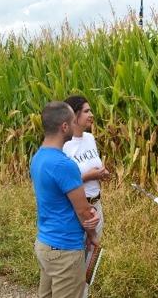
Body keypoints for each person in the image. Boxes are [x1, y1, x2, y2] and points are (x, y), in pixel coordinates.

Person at [31, 101, 100, 298]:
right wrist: (93, 234)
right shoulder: (64, 165)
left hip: (45, 243)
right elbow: (83, 211)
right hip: (65, 249)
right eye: (72, 121)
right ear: (64, 127)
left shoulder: (38, 157)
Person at [62, 95, 109, 297]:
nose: (92, 115)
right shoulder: (65, 145)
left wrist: (102, 174)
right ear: (75, 115)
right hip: (78, 209)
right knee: (75, 261)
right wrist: (91, 175)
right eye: (87, 111)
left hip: (96, 205)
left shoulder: (89, 138)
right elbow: (63, 180)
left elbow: (93, 168)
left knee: (90, 259)